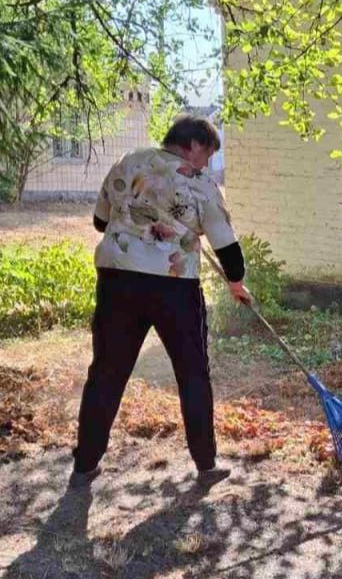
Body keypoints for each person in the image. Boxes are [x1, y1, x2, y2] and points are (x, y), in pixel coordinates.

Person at [69, 115, 250, 488]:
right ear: (195, 144)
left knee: (106, 372)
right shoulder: (199, 182)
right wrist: (236, 282)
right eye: (207, 155)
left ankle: (84, 464)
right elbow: (226, 243)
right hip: (174, 288)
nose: (205, 164)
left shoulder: (128, 162)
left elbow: (101, 222)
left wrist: (139, 223)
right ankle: (206, 464)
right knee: (193, 373)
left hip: (118, 281)